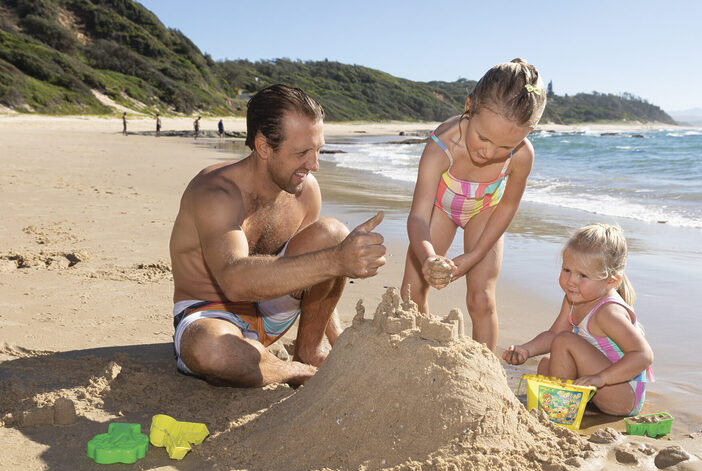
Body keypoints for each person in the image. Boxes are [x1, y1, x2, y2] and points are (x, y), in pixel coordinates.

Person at [169, 84, 387, 388]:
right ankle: (293, 370)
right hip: (209, 314)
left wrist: (339, 341)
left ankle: (308, 352)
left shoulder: (306, 190)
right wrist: (338, 260)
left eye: (318, 149)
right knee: (212, 351)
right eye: (302, 153)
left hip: (272, 312)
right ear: (264, 147)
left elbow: (315, 270)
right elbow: (234, 281)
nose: (314, 164)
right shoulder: (215, 193)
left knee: (333, 233)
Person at [401, 59, 546, 353]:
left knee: (481, 298)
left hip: (486, 211)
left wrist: (475, 254)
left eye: (505, 147)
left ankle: (485, 372)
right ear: (469, 106)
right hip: (441, 208)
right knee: (412, 290)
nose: (489, 152)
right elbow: (418, 216)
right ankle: (418, 355)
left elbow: (506, 208)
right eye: (483, 137)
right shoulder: (441, 146)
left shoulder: (521, 156)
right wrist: (428, 257)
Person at [502, 224, 654, 416]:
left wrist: (602, 378)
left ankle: (560, 412)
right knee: (546, 363)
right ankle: (577, 407)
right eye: (566, 270)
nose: (571, 281)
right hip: (599, 387)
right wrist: (526, 349)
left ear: (612, 281)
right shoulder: (574, 299)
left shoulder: (608, 312)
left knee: (565, 341)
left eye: (582, 275)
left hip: (623, 395)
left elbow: (643, 355)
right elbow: (553, 334)